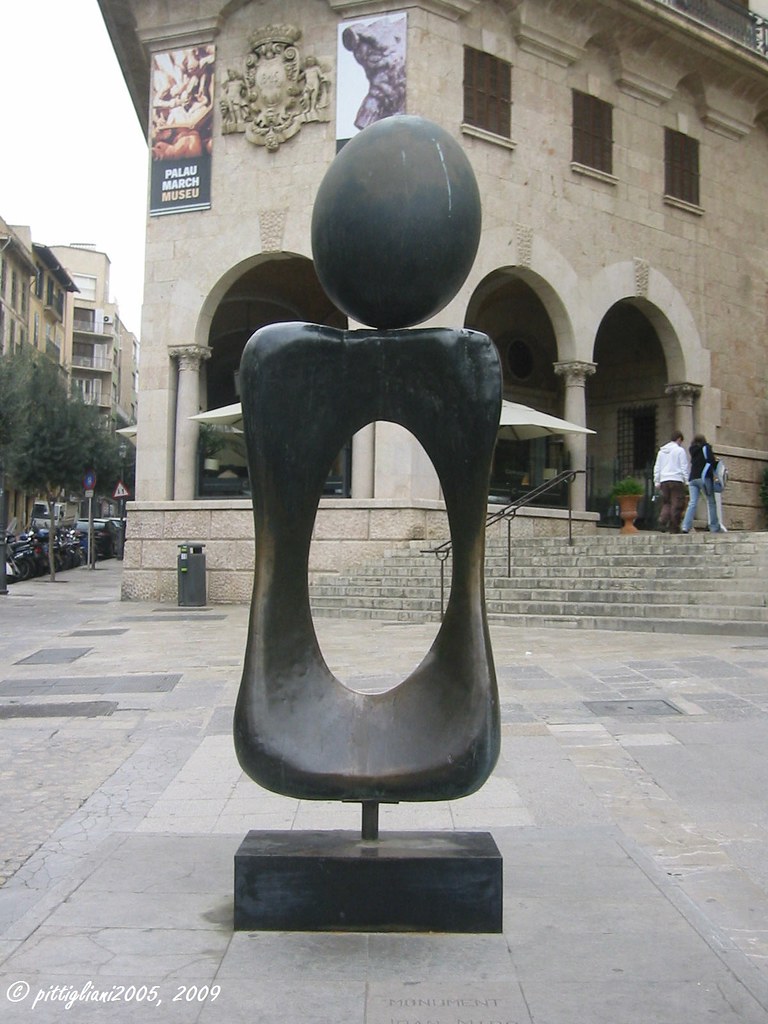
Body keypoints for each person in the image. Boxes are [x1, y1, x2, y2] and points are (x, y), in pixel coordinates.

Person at [681, 434, 722, 533]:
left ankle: (685, 526)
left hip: (692, 479)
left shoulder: (692, 450)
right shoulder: (706, 447)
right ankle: (714, 526)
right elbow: (711, 461)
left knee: (692, 502)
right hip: (704, 478)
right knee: (711, 501)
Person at [653, 430, 689, 533]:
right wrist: (686, 481)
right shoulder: (679, 451)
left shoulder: (661, 452)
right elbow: (684, 467)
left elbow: (657, 467)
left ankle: (662, 521)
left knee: (666, 502)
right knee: (677, 503)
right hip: (676, 479)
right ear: (679, 439)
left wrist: (657, 481)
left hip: (664, 480)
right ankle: (674, 526)